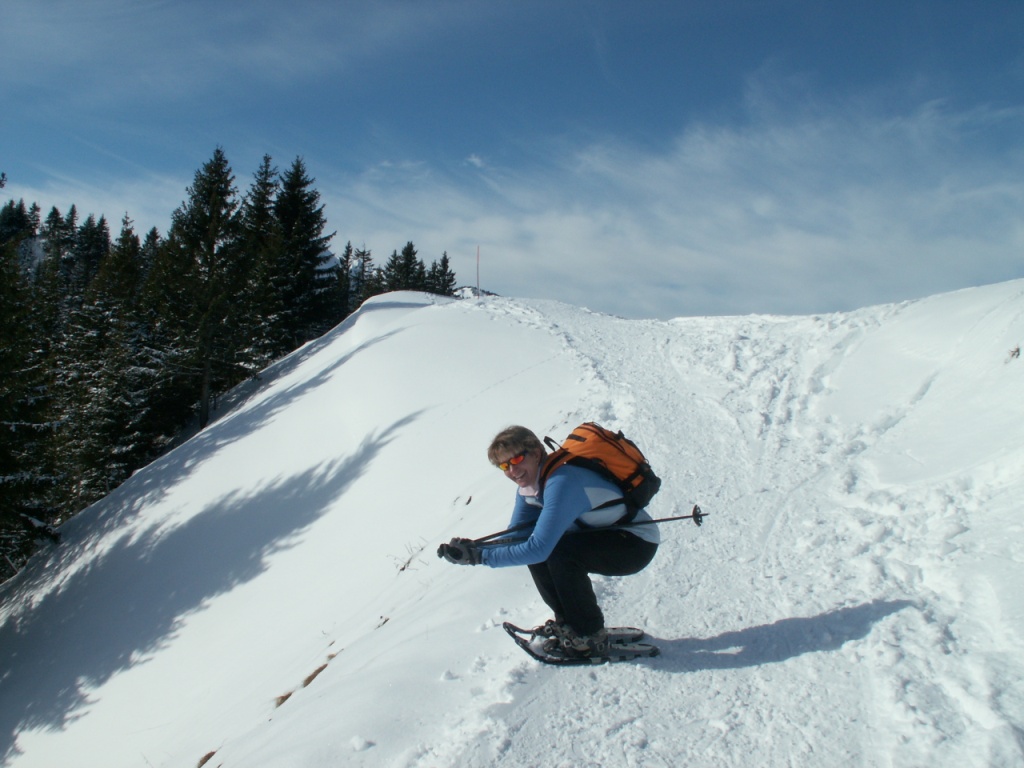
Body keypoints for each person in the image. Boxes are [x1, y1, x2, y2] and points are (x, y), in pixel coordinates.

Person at [438, 425, 660, 658]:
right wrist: (473, 549)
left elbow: (538, 549)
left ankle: (588, 636)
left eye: (517, 459)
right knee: (546, 547)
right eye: (504, 466)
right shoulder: (531, 486)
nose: (512, 471)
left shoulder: (563, 481)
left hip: (635, 544)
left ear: (536, 453)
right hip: (605, 538)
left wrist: (479, 557)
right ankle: (570, 626)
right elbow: (517, 537)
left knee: (558, 552)